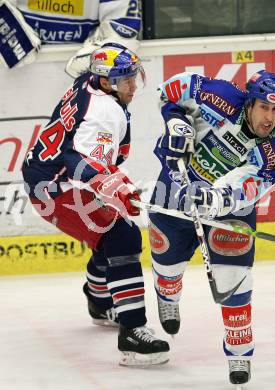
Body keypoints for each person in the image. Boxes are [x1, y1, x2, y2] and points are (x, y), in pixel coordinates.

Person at [21, 42, 170, 367]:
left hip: (45, 176)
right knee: (123, 237)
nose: (133, 86)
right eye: (125, 80)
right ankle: (132, 332)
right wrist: (109, 182)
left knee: (108, 234)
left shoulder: (87, 82)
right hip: (56, 188)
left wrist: (110, 183)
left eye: (133, 77)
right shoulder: (105, 114)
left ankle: (101, 302)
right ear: (106, 82)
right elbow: (76, 160)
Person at [148, 69, 275, 384]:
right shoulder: (219, 95)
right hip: (174, 189)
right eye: (264, 107)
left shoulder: (273, 154)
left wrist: (216, 197)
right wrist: (175, 120)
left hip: (227, 211)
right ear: (250, 102)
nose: (270, 117)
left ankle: (239, 352)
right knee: (166, 264)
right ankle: (168, 294)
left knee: (234, 280)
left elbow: (247, 187)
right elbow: (172, 88)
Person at [0, 0, 141, 73]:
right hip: (16, 78)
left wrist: (91, 62)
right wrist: (11, 44)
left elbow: (123, 33)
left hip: (83, 87)